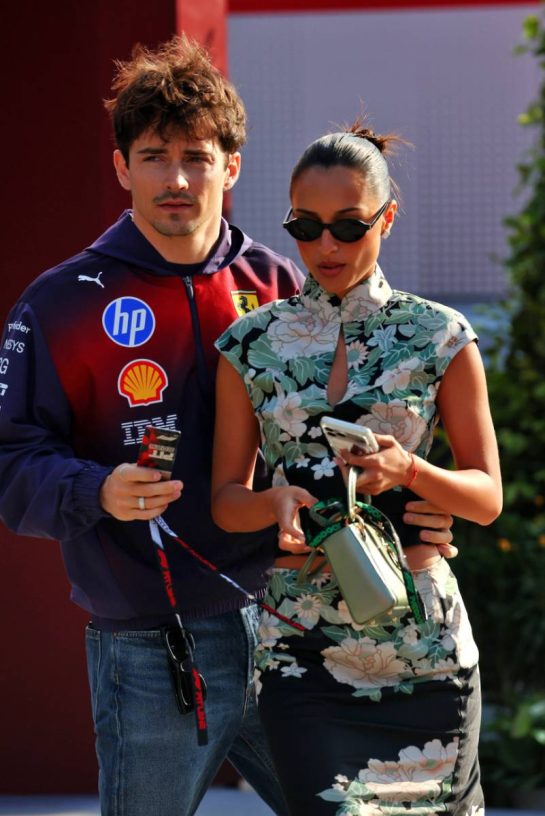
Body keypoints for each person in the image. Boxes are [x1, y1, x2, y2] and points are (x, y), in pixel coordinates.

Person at [0, 35, 455, 816]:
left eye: (197, 156)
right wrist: (95, 489)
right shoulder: (61, 303)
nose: (176, 179)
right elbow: (11, 463)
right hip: (151, 647)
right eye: (153, 156)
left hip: (300, 624)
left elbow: (362, 432)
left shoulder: (278, 285)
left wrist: (420, 508)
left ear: (231, 167)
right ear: (121, 168)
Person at [211, 122, 502, 815]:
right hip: (301, 647)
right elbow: (226, 498)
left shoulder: (441, 335)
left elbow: (485, 497)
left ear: (386, 218)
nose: (325, 247)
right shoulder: (248, 346)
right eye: (304, 227)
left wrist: (410, 472)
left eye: (347, 226)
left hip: (424, 649)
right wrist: (272, 503)